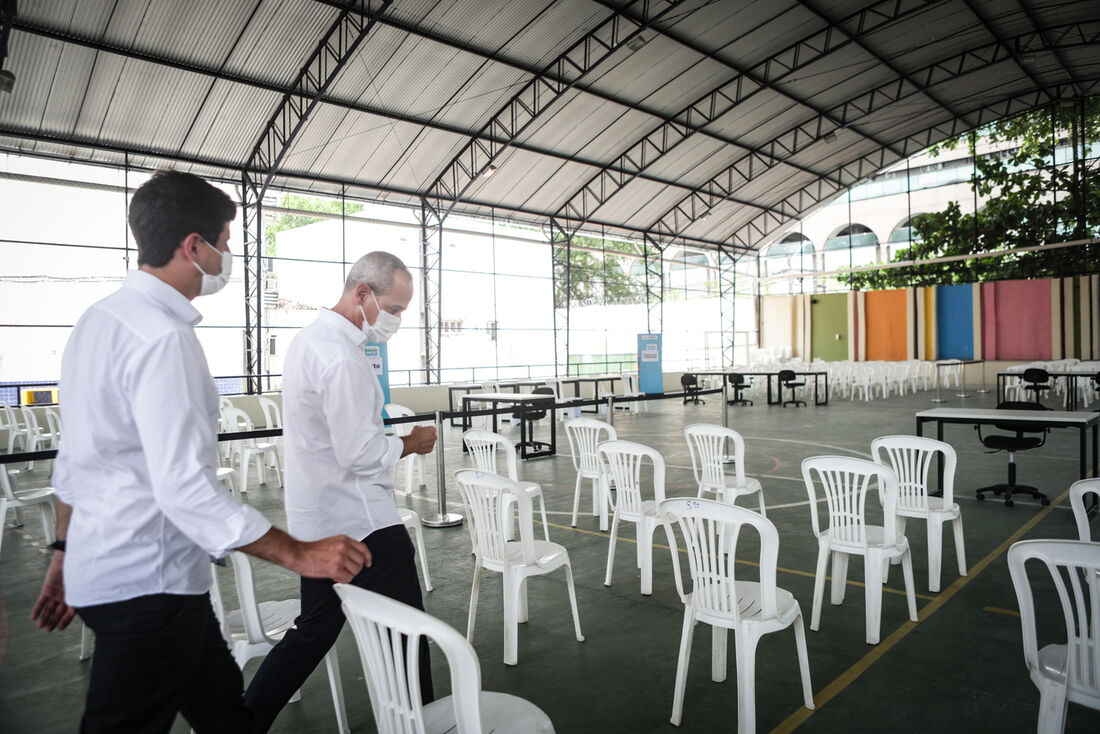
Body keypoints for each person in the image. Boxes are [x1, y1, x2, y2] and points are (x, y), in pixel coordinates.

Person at [30, 170, 370, 733]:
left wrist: (66, 551)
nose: (227, 257)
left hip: (127, 577)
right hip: (149, 589)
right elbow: (184, 487)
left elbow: (79, 456)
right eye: (225, 243)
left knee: (225, 715)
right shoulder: (164, 339)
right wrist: (302, 556)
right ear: (193, 247)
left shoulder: (98, 322)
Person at [244, 251, 438, 731]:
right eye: (393, 309)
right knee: (407, 639)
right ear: (362, 294)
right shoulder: (341, 357)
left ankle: (240, 721)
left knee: (311, 634)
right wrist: (411, 443)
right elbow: (359, 452)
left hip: (317, 522)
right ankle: (421, 722)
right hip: (364, 525)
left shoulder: (310, 340)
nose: (395, 320)